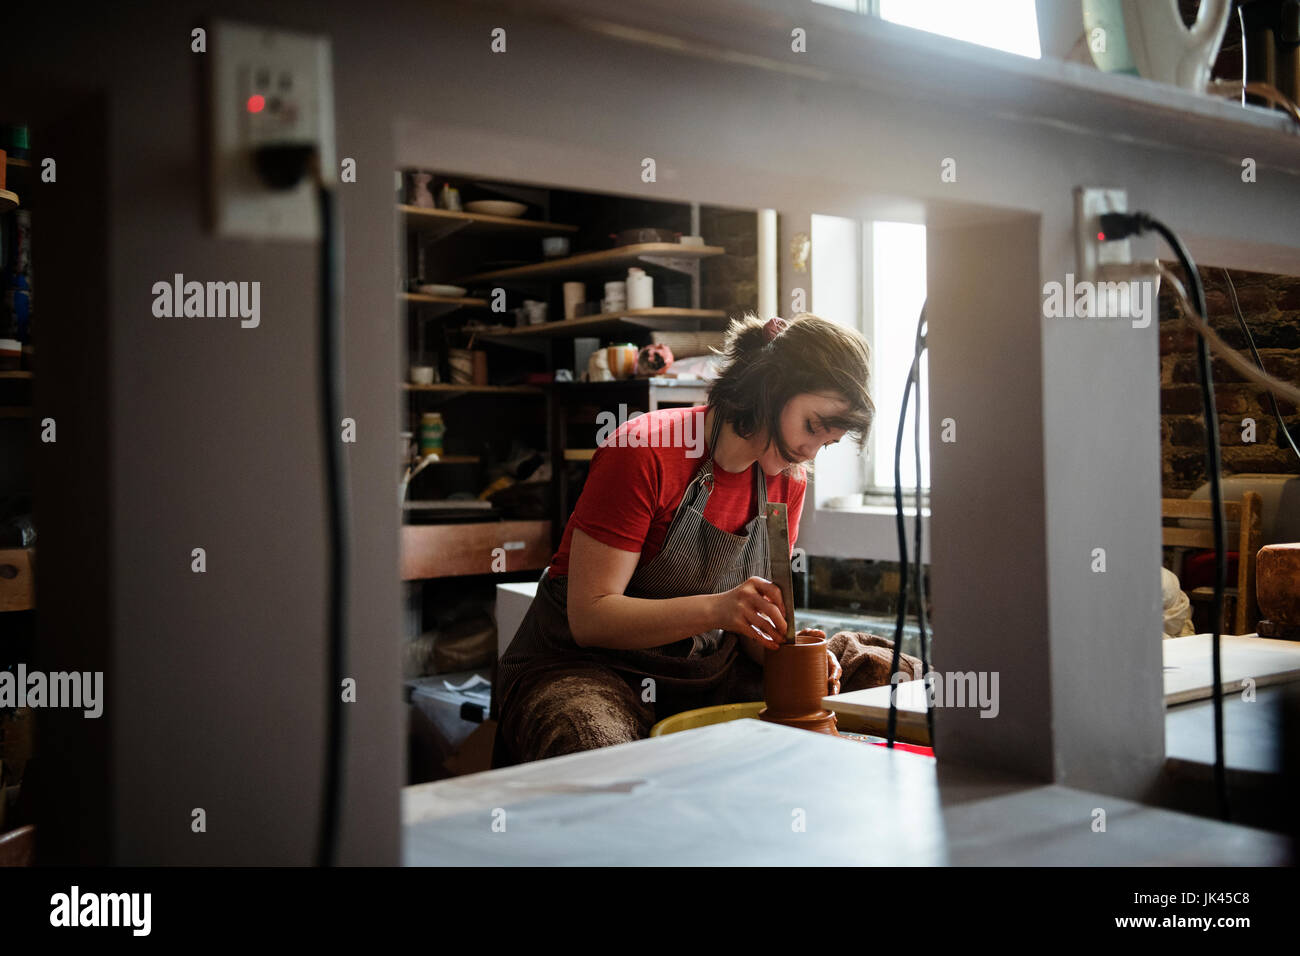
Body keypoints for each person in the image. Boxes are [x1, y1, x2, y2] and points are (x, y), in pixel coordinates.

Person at [489, 311, 881, 767]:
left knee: (883, 669)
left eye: (827, 443)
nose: (810, 452)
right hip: (586, 667)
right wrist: (719, 608)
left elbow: (752, 626)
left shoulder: (786, 482)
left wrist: (791, 650)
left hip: (703, 669)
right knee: (596, 749)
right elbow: (590, 618)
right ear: (769, 386)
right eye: (813, 427)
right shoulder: (643, 451)